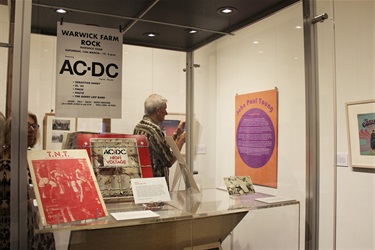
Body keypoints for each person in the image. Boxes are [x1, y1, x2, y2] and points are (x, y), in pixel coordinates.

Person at [0, 112, 55, 249]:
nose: (31, 130)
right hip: (12, 232)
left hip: (37, 228)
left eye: (34, 126)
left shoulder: (35, 160)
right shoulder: (5, 161)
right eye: (26, 126)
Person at [133, 94, 186, 189]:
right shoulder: (154, 130)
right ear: (158, 110)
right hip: (155, 187)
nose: (166, 113)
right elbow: (169, 161)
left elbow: (160, 147)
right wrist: (181, 140)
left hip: (144, 184)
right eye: (164, 109)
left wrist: (176, 133)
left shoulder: (139, 127)